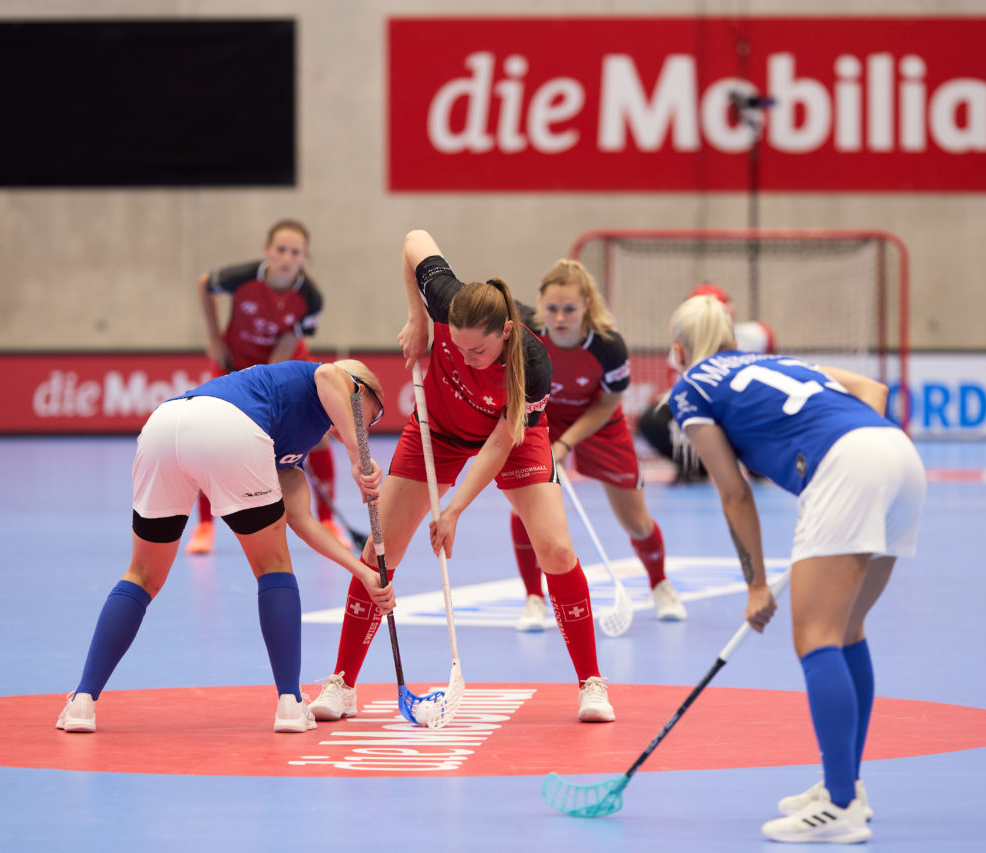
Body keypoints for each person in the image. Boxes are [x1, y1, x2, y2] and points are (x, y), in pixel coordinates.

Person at [307, 229, 615, 723]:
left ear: (506, 334)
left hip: (511, 439)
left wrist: (452, 511)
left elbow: (498, 445)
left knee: (556, 550)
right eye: (459, 347)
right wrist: (418, 321)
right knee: (379, 553)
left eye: (478, 352)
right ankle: (342, 682)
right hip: (440, 430)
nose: (467, 358)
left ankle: (591, 683)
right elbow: (414, 241)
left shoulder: (532, 364)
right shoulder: (449, 300)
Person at [666, 294, 926, 844]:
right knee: (847, 630)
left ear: (678, 351)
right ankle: (846, 787)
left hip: (847, 465)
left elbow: (734, 493)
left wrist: (756, 584)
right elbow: (873, 392)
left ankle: (837, 807)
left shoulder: (691, 388)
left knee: (815, 638)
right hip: (898, 455)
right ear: (735, 341)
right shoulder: (773, 363)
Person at [55, 359, 395, 734]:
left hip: (164, 427)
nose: (363, 428)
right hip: (229, 428)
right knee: (273, 567)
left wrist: (362, 572)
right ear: (357, 388)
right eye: (367, 416)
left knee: (143, 575)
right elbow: (331, 376)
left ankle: (81, 702)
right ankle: (289, 703)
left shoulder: (292, 440)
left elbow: (303, 521)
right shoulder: (326, 377)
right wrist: (356, 454)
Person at [510, 258, 685, 631]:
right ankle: (534, 599)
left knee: (637, 524)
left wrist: (567, 444)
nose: (559, 318)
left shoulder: (608, 346)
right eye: (552, 308)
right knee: (525, 509)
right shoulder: (527, 334)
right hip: (545, 420)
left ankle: (660, 585)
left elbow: (608, 402)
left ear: (586, 305)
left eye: (569, 309)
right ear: (541, 306)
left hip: (598, 423)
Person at [187, 218, 348, 554]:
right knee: (211, 439)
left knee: (317, 439)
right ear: (267, 251)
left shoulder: (310, 298)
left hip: (285, 366)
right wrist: (215, 338)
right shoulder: (242, 277)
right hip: (233, 362)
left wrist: (268, 388)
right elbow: (205, 284)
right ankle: (204, 526)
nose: (287, 257)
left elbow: (288, 345)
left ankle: (328, 521)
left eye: (295, 252)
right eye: (281, 250)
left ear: (305, 256)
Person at [638, 283, 776, 483]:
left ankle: (758, 461)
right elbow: (684, 400)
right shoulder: (679, 352)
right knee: (654, 418)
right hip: (704, 412)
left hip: (743, 409)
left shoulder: (759, 337)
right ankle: (694, 465)